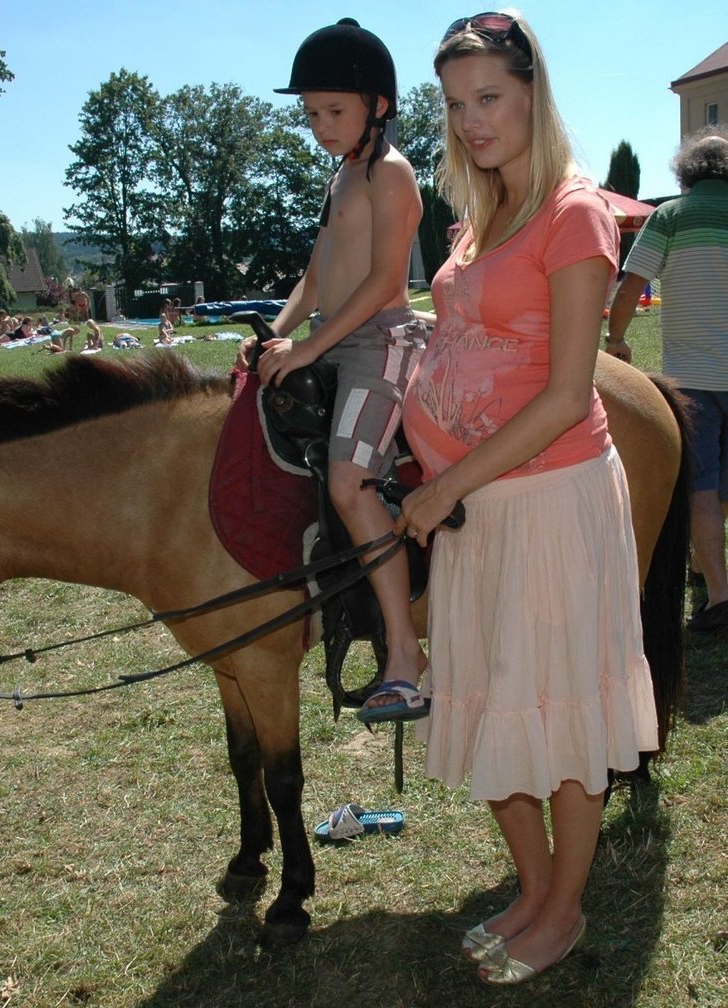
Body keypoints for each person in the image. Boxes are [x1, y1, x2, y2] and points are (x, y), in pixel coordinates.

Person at [397, 13, 658, 984]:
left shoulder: (572, 212)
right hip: (474, 511)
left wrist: (446, 483)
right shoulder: (478, 219)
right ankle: (534, 890)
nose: (471, 121)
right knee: (494, 710)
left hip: (550, 505)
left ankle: (564, 912)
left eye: (490, 98)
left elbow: (562, 393)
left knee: (556, 721)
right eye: (457, 104)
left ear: (532, 94)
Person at [254, 17, 428, 722]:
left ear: (377, 106)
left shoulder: (391, 174)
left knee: (350, 481)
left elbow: (386, 281)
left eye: (333, 111)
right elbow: (316, 276)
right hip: (334, 336)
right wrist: (279, 331)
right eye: (311, 114)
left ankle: (406, 654)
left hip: (381, 341)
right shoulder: (340, 176)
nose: (320, 125)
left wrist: (310, 348)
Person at [605, 126, 728, 631]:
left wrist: (616, 339)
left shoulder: (670, 217)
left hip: (692, 377)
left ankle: (719, 595)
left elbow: (633, 283)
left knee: (700, 484)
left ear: (686, 172)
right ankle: (706, 568)